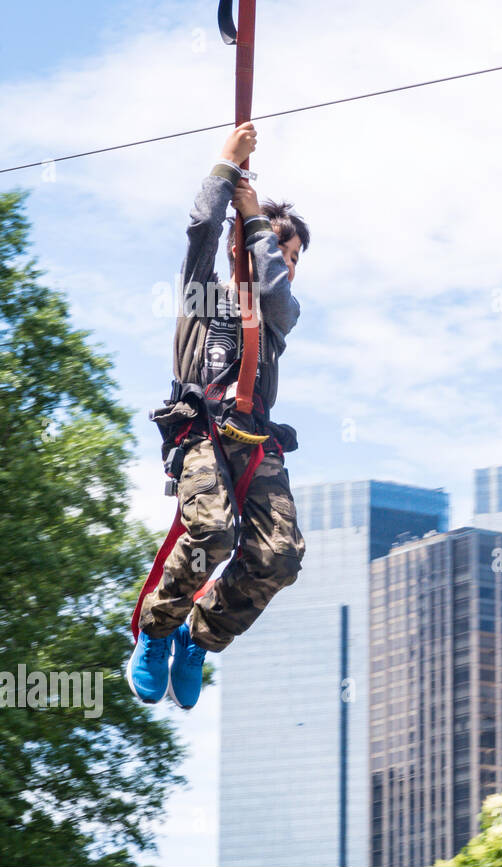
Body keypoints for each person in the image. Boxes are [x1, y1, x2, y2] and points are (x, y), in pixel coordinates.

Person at [129, 121, 307, 710]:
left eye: (292, 258)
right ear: (243, 245)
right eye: (279, 249)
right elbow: (203, 227)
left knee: (279, 555)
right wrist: (226, 168)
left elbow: (275, 291)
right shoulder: (203, 292)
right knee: (212, 532)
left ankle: (198, 634)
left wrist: (256, 218)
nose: (283, 263)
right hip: (202, 429)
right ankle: (156, 631)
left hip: (254, 438)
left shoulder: (280, 313)